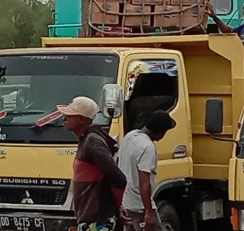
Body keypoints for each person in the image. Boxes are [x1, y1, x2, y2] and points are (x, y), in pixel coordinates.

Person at [58, 96, 127, 231]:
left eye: (69, 115)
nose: (64, 118)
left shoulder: (93, 142)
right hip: (90, 218)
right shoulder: (86, 139)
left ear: (81, 119)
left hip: (97, 220)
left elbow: (118, 178)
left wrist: (118, 206)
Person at [117, 110, 177, 231]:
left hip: (126, 203)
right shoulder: (147, 147)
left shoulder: (130, 136)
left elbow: (118, 165)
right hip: (140, 207)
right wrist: (149, 212)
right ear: (161, 131)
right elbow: (144, 182)